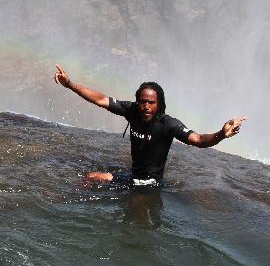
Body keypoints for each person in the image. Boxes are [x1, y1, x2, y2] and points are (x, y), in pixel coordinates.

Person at [54, 64, 246, 185]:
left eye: (151, 103)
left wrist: (221, 133)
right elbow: (100, 99)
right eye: (142, 101)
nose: (146, 106)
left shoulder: (168, 124)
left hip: (150, 184)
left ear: (159, 104)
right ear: (138, 101)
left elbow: (198, 140)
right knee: (90, 178)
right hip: (133, 177)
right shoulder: (132, 111)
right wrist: (71, 84)